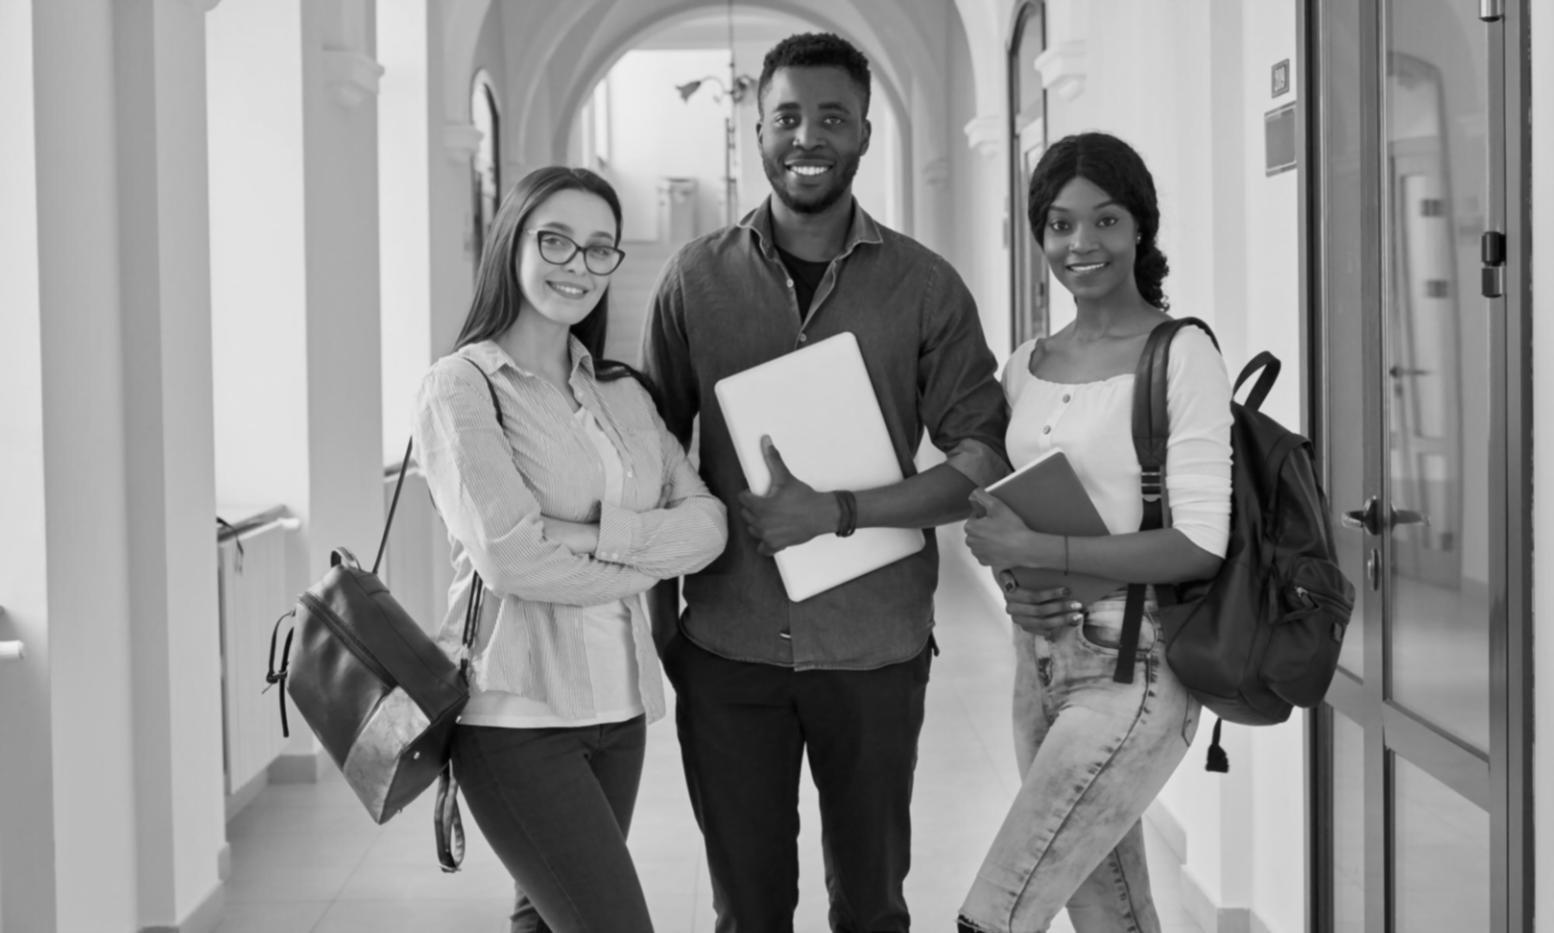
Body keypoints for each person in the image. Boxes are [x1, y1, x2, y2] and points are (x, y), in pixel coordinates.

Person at [641, 31, 1010, 933]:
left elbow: (982, 462)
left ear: (865, 134)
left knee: (873, 908)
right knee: (749, 912)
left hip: (875, 648)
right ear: (756, 130)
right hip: (726, 648)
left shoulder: (926, 287)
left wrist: (837, 513)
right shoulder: (693, 280)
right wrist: (667, 629)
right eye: (788, 117)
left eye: (832, 117)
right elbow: (651, 457)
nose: (808, 137)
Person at [412, 166, 728, 933]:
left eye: (599, 249)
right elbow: (512, 561)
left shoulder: (622, 390)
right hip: (515, 716)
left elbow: (710, 527)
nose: (576, 265)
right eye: (555, 240)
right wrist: (644, 559)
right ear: (510, 243)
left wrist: (591, 537)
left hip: (620, 708)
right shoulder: (462, 386)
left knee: (545, 920)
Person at [955, 132, 1233, 933]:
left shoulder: (1181, 354)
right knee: (1108, 907)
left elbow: (1200, 542)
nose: (1082, 243)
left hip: (1134, 666)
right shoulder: (1024, 365)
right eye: (1060, 223)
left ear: (1139, 228)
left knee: (997, 910)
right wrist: (1015, 582)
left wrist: (1038, 552)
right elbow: (1000, 516)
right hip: (1037, 665)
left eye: (1105, 220)